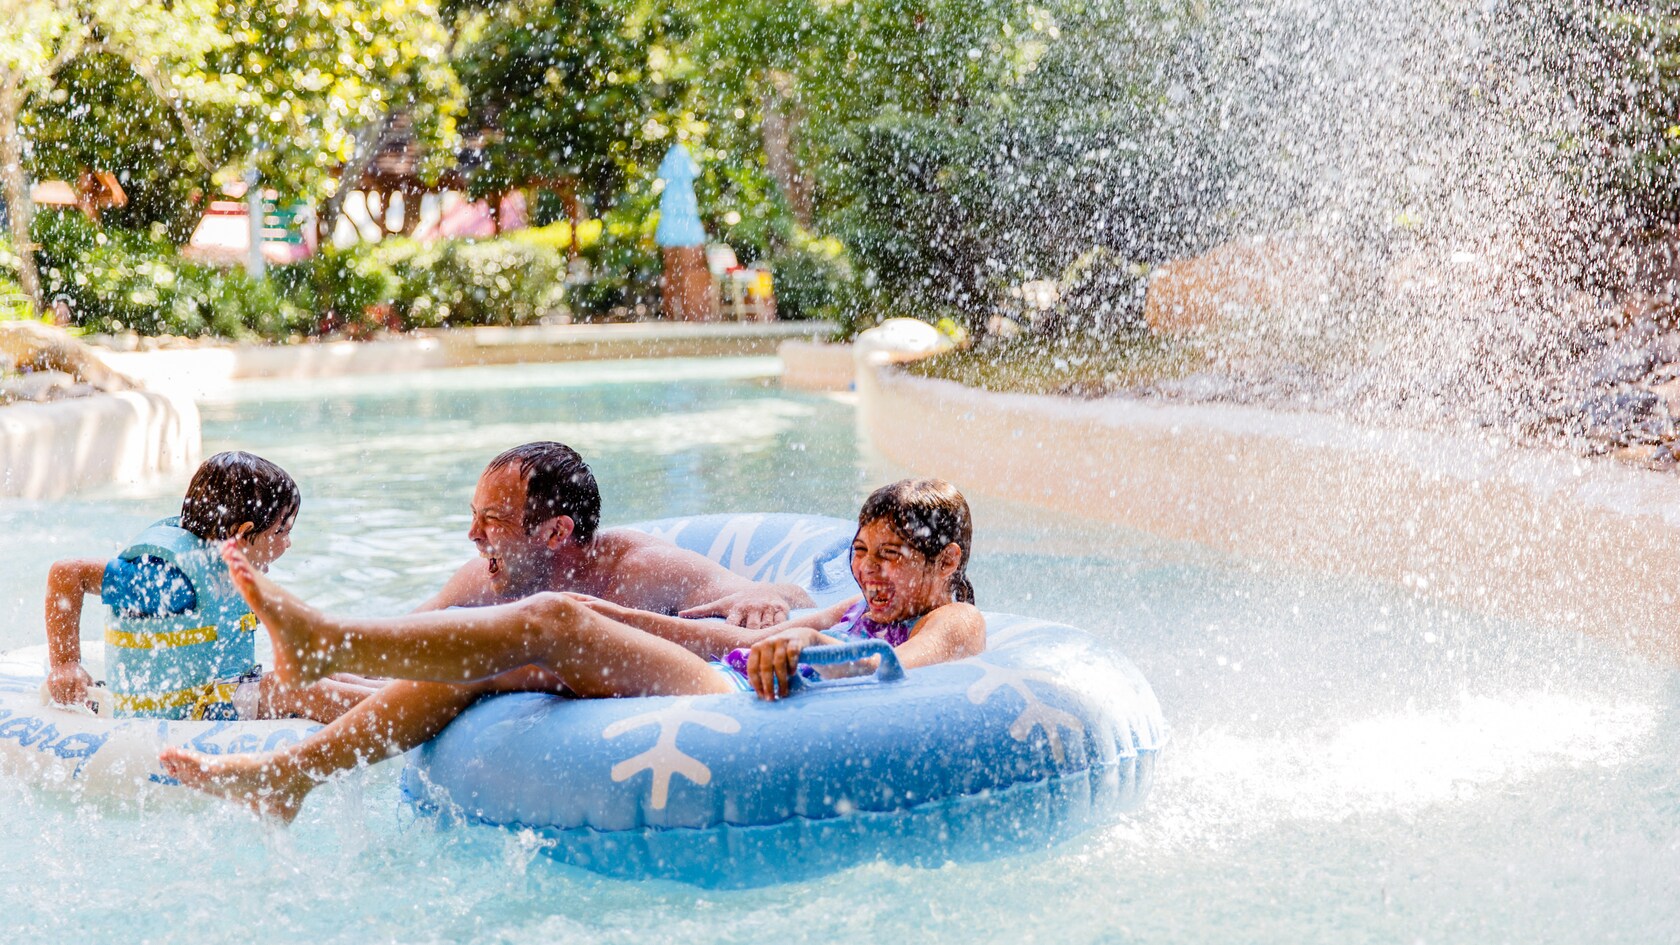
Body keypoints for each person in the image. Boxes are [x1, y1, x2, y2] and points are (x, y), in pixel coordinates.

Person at [159, 478, 986, 821]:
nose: (871, 573)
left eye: (893, 557)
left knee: (551, 620)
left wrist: (796, 660)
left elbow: (896, 670)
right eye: (863, 552)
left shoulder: (953, 620)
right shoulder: (859, 602)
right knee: (518, 660)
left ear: (946, 563)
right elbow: (773, 634)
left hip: (740, 709)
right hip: (724, 673)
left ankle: (324, 639)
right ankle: (290, 773)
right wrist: (753, 630)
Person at [44, 451, 375, 722]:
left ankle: (408, 693)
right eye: (280, 532)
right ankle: (405, 713)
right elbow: (67, 572)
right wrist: (65, 664)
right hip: (179, 711)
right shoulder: (167, 580)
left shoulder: (228, 563)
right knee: (303, 689)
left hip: (219, 691)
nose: (288, 544)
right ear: (243, 533)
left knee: (331, 672)